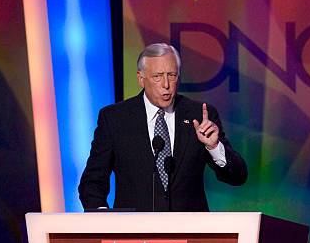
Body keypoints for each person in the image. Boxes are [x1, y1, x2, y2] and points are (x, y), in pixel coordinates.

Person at [78, 43, 247, 211]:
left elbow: (238, 176)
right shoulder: (115, 119)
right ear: (141, 79)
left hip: (190, 232)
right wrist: (101, 220)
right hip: (134, 232)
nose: (166, 84)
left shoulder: (200, 115)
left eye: (172, 75)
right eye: (157, 76)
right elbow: (92, 183)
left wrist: (214, 147)